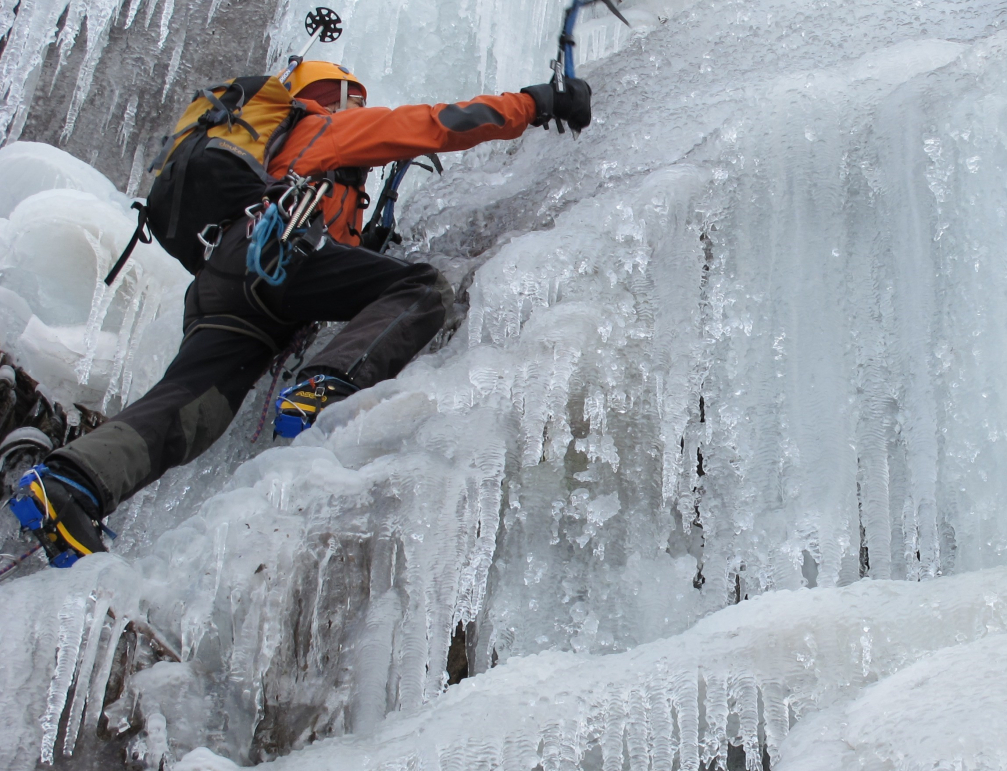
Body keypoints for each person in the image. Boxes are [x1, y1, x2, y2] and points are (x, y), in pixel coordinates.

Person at [10, 61, 592, 563]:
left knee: (191, 408)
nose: (361, 107)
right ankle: (325, 385)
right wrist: (532, 103)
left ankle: (71, 482)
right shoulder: (321, 127)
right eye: (354, 99)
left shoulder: (274, 159)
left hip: (223, 281)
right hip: (280, 252)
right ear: (331, 97)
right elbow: (437, 124)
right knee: (421, 289)